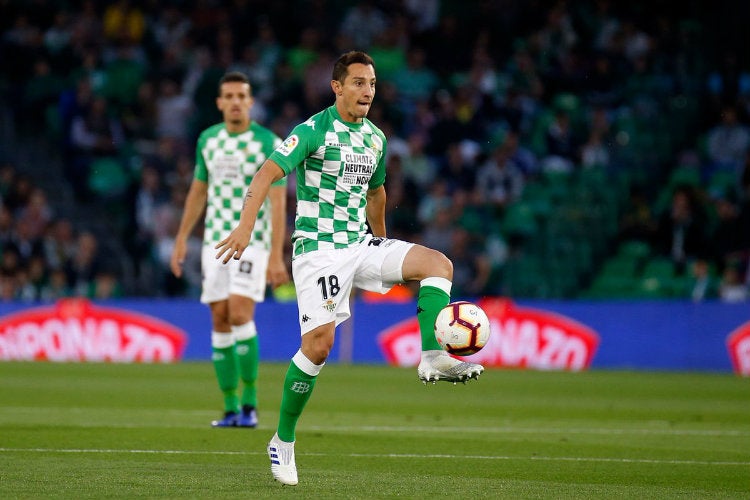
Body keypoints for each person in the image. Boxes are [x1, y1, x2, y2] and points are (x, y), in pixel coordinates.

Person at [214, 51, 484, 486]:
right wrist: (246, 227)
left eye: (372, 84)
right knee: (319, 347)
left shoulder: (376, 138)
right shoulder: (313, 130)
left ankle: (433, 354)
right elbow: (267, 174)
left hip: (359, 243)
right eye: (358, 83)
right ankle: (282, 442)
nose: (367, 91)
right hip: (318, 250)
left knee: (438, 263)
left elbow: (376, 193)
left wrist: (383, 242)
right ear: (337, 87)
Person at [170, 71, 288, 428]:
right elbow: (198, 191)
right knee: (219, 317)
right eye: (229, 96)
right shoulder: (208, 140)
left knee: (239, 313)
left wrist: (275, 254)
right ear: (220, 102)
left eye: (242, 96)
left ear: (250, 102)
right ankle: (230, 407)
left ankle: (251, 404)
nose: (236, 101)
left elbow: (280, 202)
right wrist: (180, 238)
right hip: (213, 243)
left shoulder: (269, 141)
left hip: (253, 241)